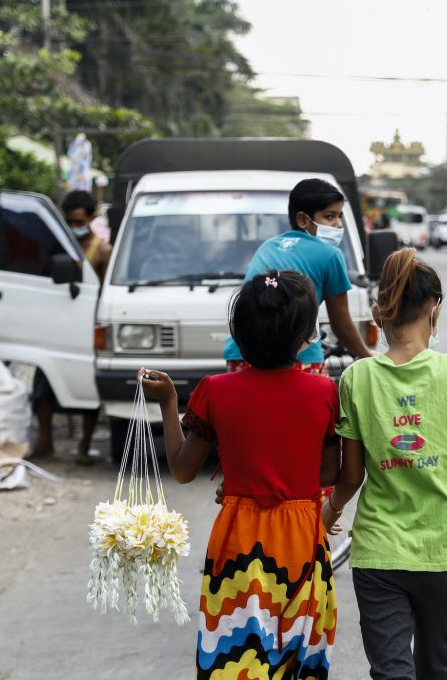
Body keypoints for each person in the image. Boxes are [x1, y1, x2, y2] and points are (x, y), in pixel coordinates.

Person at [141, 270, 339, 678]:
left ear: (238, 332)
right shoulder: (324, 393)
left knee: (236, 658)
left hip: (239, 538)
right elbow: (329, 471)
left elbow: (180, 469)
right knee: (299, 656)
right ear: (304, 337)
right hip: (302, 538)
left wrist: (168, 402)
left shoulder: (215, 390)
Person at [325, 248, 447, 680]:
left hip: (379, 553)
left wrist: (327, 511)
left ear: (381, 310)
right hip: (444, 552)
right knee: (436, 668)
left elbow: (351, 474)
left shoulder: (357, 377)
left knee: (390, 672)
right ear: (435, 308)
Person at [223, 178, 374, 373]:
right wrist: (366, 354)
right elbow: (342, 325)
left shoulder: (268, 246)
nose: (338, 224)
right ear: (303, 219)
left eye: (339, 217)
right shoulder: (330, 255)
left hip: (244, 356)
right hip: (300, 358)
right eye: (329, 217)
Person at [30, 190, 111, 464]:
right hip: (57, 327)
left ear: (91, 218)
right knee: (43, 384)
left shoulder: (102, 250)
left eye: (79, 221)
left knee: (88, 388)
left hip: (86, 330)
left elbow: (106, 294)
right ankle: (45, 441)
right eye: (70, 222)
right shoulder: (60, 247)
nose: (75, 227)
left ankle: (84, 447)